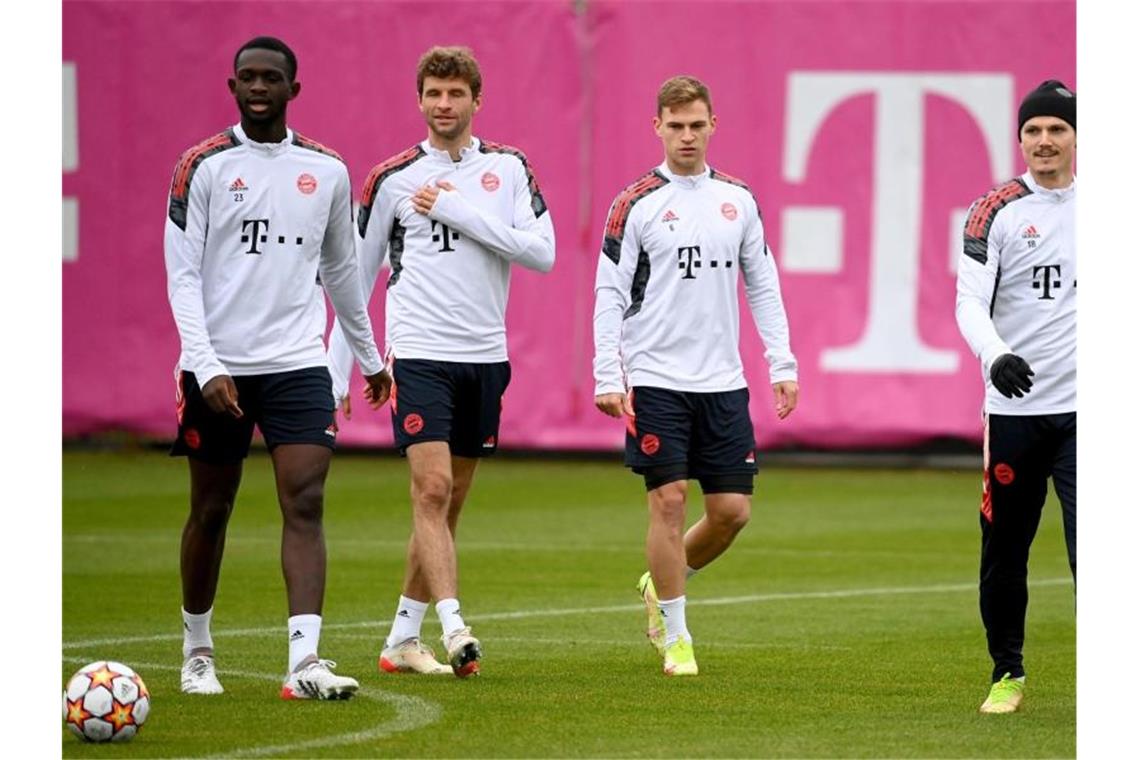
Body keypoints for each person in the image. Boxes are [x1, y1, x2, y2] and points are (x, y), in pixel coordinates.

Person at [164, 36, 392, 700]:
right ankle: (197, 649)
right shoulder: (201, 166)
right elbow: (182, 277)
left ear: (294, 90)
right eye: (248, 78)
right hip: (218, 367)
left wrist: (369, 358)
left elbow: (343, 272)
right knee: (212, 508)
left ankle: (304, 661)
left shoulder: (325, 170)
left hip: (297, 364)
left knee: (307, 498)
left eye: (272, 78)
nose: (259, 87)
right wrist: (204, 364)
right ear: (233, 87)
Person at [327, 45, 555, 677]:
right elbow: (356, 275)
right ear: (419, 99)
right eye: (434, 93)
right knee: (430, 489)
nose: (444, 104)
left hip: (484, 355)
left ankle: (402, 638)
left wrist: (459, 210)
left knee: (448, 506)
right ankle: (454, 627)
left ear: (477, 101)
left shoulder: (509, 170)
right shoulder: (392, 178)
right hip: (420, 352)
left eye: (456, 94)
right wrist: (338, 365)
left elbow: (542, 253)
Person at [592, 76, 798, 676]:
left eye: (696, 124)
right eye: (675, 124)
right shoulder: (635, 203)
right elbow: (609, 290)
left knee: (733, 511)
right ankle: (677, 637)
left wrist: (781, 363)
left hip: (723, 381)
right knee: (670, 500)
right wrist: (609, 371)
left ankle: (661, 583)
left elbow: (762, 283)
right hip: (655, 377)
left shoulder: (739, 199)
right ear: (657, 126)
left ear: (713, 126)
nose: (687, 135)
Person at [955, 79, 1076, 715]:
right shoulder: (993, 211)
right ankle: (1007, 673)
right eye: (1034, 130)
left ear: (1077, 137)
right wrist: (995, 354)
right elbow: (969, 300)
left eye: (1057, 129)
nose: (1045, 140)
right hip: (1015, 413)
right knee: (1006, 550)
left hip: (1087, 412)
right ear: (1021, 138)